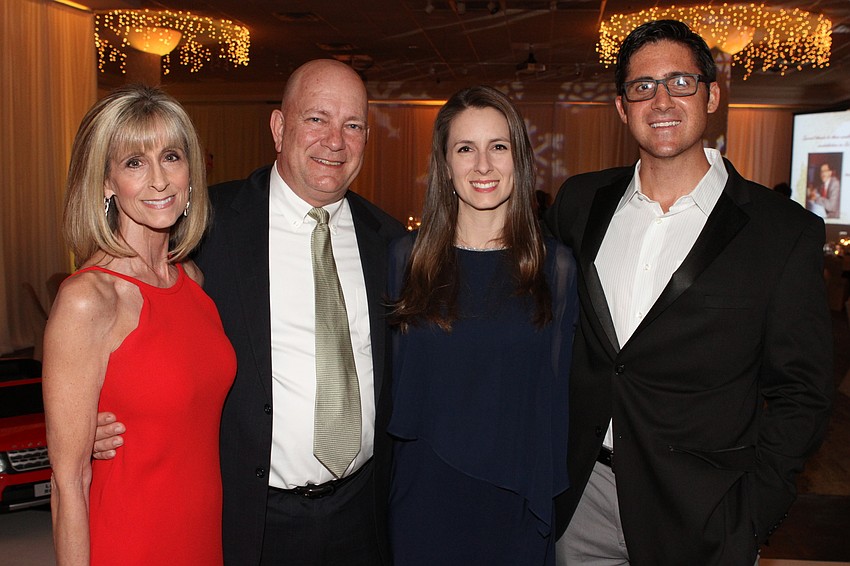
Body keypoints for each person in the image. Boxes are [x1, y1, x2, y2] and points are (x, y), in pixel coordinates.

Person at [93, 60, 405, 565]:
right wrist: (89, 413)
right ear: (280, 128)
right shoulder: (204, 228)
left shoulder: (391, 243)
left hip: (363, 514)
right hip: (250, 517)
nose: (335, 141)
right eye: (317, 119)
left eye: (354, 125)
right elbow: (120, 303)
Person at [546, 20, 833, 565]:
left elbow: (803, 392)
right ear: (621, 106)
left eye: (681, 82)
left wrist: (750, 517)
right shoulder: (580, 204)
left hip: (704, 515)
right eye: (643, 86)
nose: (661, 100)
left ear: (712, 94)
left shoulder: (781, 231)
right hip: (580, 498)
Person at [42, 85, 236, 565]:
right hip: (130, 541)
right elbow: (67, 482)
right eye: (134, 162)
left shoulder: (192, 279)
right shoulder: (88, 299)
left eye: (170, 156)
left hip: (202, 537)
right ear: (106, 181)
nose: (159, 181)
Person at [387, 86, 578, 565]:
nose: (483, 165)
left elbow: (555, 402)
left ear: (519, 159)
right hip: (423, 499)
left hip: (515, 502)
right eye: (465, 149)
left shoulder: (555, 268)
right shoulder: (405, 260)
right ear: (445, 165)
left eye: (498, 147)